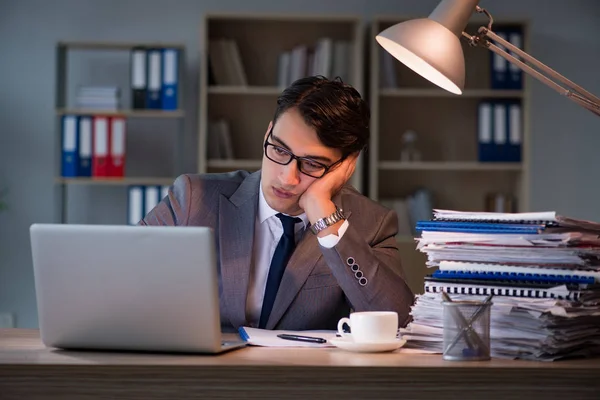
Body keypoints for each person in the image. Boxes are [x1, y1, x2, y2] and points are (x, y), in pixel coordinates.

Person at [140, 76, 415, 332]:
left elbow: (399, 320)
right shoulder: (194, 198)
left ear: (344, 167)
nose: (287, 177)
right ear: (267, 133)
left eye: (311, 164)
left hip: (302, 381)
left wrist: (324, 215)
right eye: (280, 150)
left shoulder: (371, 225)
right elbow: (122, 281)